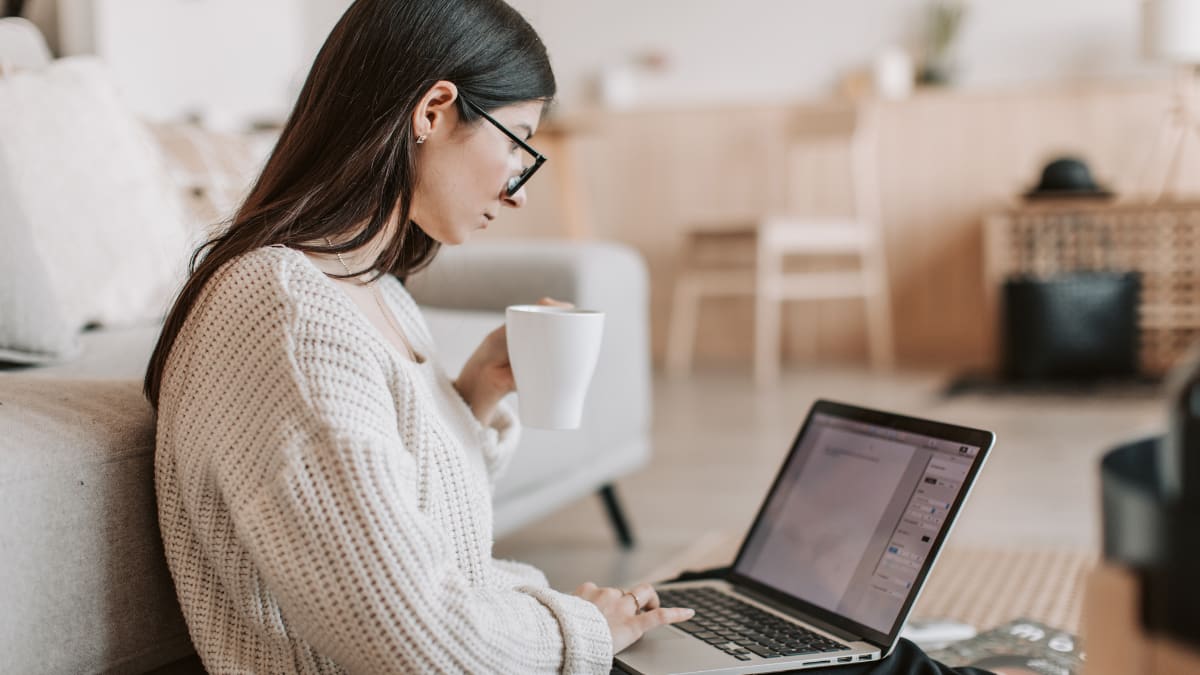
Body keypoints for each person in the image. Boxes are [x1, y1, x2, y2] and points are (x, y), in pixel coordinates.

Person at [144, 0, 992, 672]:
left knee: (833, 648)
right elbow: (418, 641)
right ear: (434, 109)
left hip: (490, 644)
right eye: (519, 145)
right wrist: (580, 629)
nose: (519, 190)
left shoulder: (371, 293)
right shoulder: (288, 314)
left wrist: (470, 402)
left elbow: (419, 547)